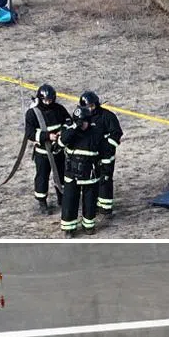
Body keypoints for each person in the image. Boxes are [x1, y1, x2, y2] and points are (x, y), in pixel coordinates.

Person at [59, 106, 112, 235]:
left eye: (83, 122)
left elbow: (106, 154)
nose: (82, 125)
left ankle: (88, 226)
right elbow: (62, 142)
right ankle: (69, 228)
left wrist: (106, 173)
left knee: (89, 202)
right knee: (69, 202)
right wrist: (74, 128)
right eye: (79, 122)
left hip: (90, 175)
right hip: (72, 175)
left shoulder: (96, 133)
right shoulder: (69, 131)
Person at [24, 83, 69, 213]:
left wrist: (62, 133)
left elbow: (68, 122)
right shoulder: (32, 114)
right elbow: (30, 133)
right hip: (43, 153)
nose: (48, 103)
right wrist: (47, 136)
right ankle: (42, 202)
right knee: (42, 177)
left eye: (50, 100)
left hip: (58, 151)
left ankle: (62, 198)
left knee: (61, 175)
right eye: (45, 100)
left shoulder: (59, 109)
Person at [80, 90, 123, 215]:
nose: (91, 109)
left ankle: (106, 207)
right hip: (91, 156)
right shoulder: (82, 117)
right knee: (92, 180)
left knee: (105, 179)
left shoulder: (107, 116)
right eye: (88, 107)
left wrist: (107, 148)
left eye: (92, 106)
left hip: (105, 156)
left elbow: (116, 134)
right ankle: (94, 204)